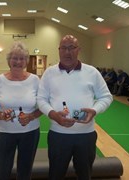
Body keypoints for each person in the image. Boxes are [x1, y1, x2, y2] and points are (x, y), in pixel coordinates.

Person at [37, 35, 113, 179]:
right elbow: (41, 99)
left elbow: (106, 96)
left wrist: (95, 110)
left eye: (71, 48)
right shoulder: (49, 73)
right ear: (59, 50)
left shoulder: (92, 72)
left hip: (86, 135)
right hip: (58, 135)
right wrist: (53, 114)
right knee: (55, 175)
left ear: (78, 50)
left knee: (85, 175)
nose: (67, 52)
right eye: (64, 48)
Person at [0, 41, 42, 180]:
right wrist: (0, 115)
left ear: (26, 61)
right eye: (14, 58)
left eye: (22, 58)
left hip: (30, 132)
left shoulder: (35, 80)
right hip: (6, 133)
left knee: (25, 171)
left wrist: (31, 116)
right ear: (9, 60)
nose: (18, 61)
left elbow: (43, 106)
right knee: (3, 171)